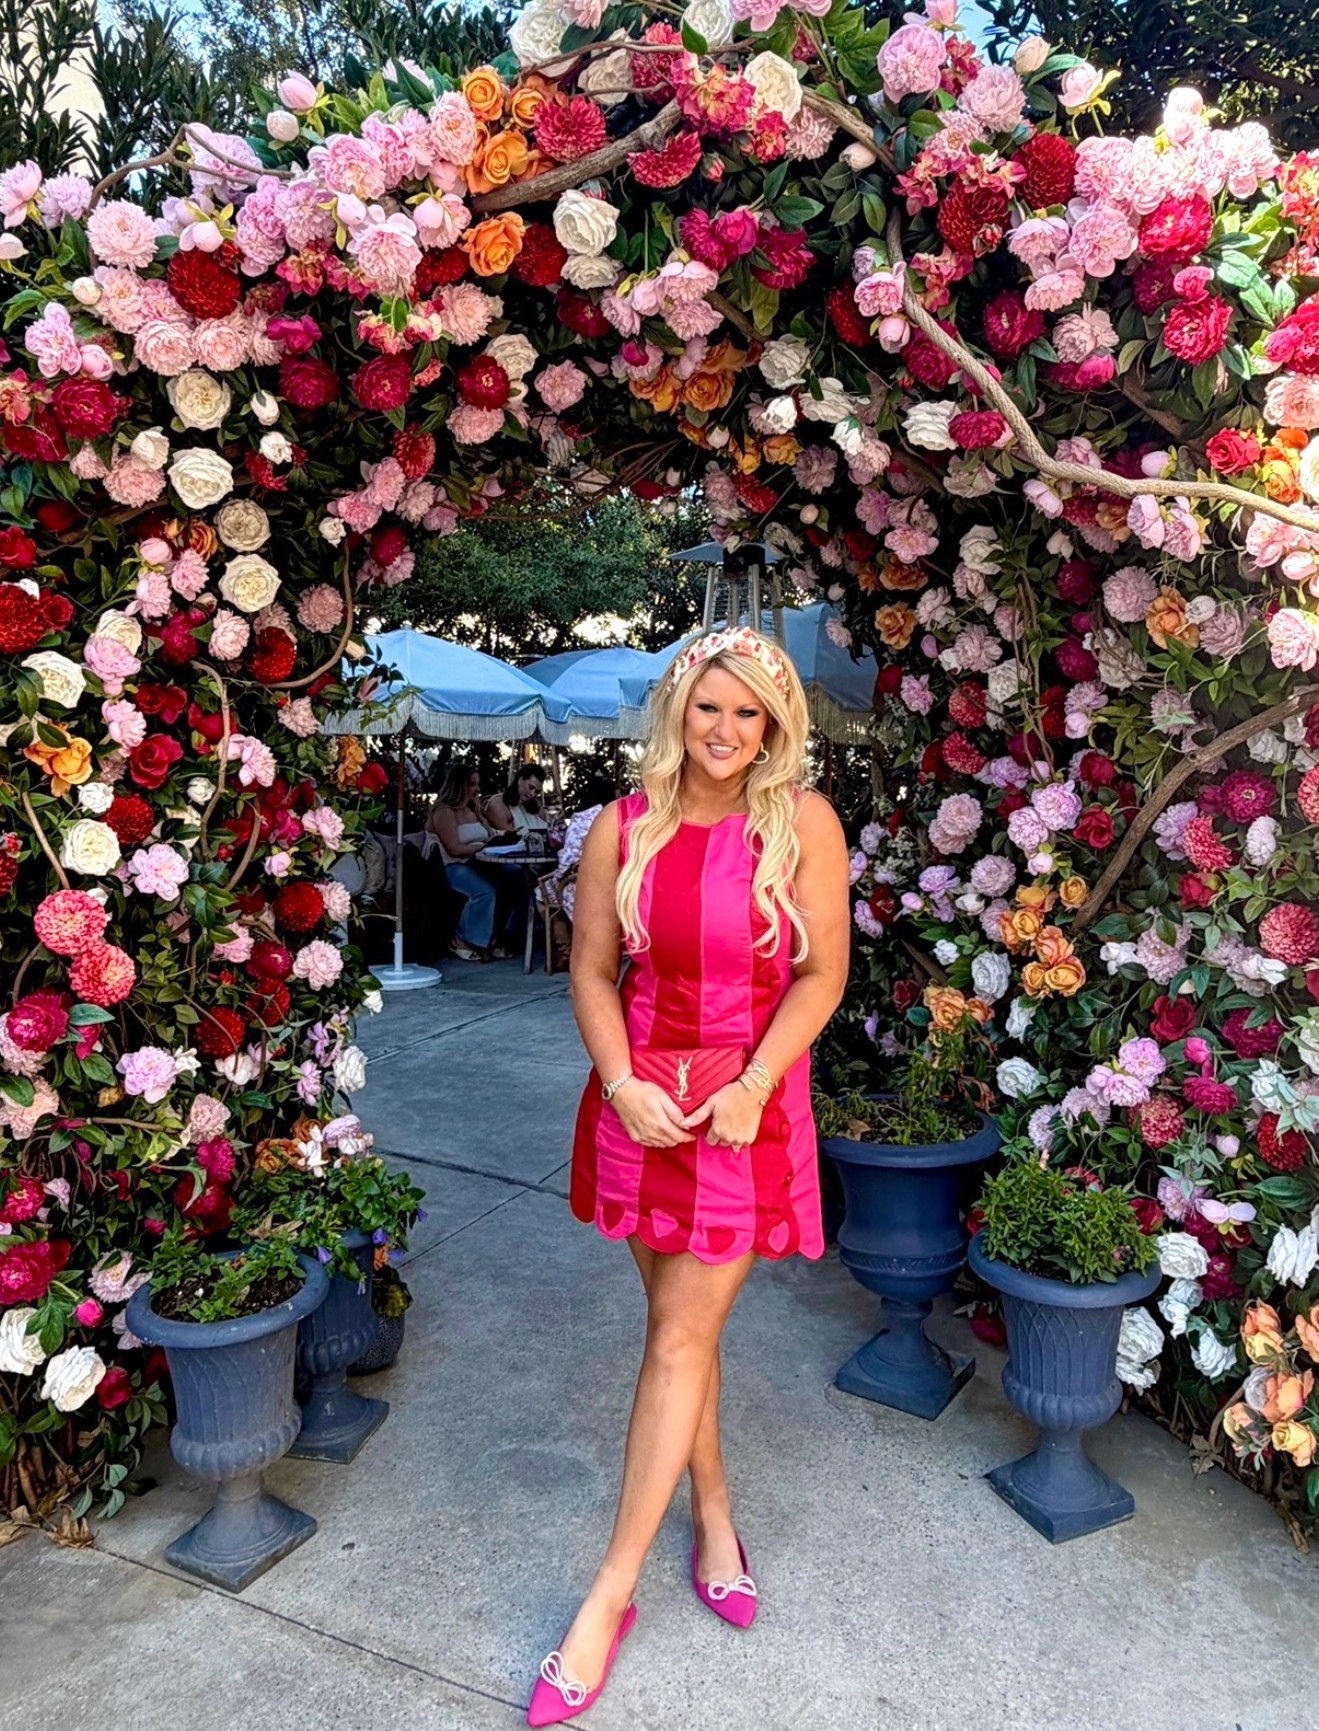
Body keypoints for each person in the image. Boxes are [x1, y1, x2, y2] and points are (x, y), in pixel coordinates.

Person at [525, 627, 850, 1726]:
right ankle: (713, 1514)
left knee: (674, 1339)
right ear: (678, 710)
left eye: (748, 714)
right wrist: (617, 1083)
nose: (725, 733)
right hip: (637, 1106)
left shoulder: (801, 822)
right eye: (708, 708)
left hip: (739, 1111)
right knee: (679, 1331)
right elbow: (590, 968)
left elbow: (821, 974)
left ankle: (604, 1598)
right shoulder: (622, 824)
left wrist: (757, 1082)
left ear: (774, 725)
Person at [425, 762, 506, 962]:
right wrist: (482, 847)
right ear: (458, 785)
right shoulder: (444, 812)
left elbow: (488, 835)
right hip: (449, 866)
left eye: (477, 784)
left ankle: (494, 936)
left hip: (474, 862)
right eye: (472, 784)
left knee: (512, 876)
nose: (476, 789)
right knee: (484, 891)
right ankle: (463, 938)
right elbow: (453, 848)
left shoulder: (471, 810)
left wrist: (480, 813)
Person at [485, 763, 551, 850]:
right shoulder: (498, 804)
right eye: (531, 787)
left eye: (537, 792)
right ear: (520, 780)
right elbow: (510, 841)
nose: (532, 794)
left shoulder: (534, 804)